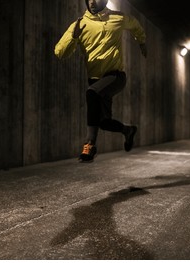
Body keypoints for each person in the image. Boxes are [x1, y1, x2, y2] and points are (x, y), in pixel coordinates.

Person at [55, 0, 147, 163]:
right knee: (104, 122)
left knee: (91, 93)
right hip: (96, 81)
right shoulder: (80, 24)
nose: (92, 1)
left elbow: (135, 25)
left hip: (115, 76)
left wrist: (141, 41)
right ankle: (128, 130)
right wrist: (73, 37)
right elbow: (60, 53)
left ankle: (90, 144)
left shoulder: (118, 18)